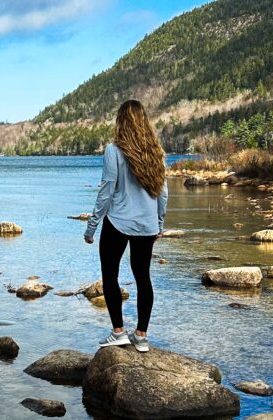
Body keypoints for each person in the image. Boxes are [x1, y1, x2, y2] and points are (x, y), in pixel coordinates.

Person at [84, 100, 168, 353]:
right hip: (146, 225)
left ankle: (118, 332)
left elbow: (107, 190)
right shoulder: (156, 152)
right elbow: (163, 194)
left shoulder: (114, 151)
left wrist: (91, 226)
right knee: (143, 278)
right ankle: (141, 336)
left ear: (120, 121)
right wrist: (159, 223)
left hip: (118, 223)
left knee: (110, 276)